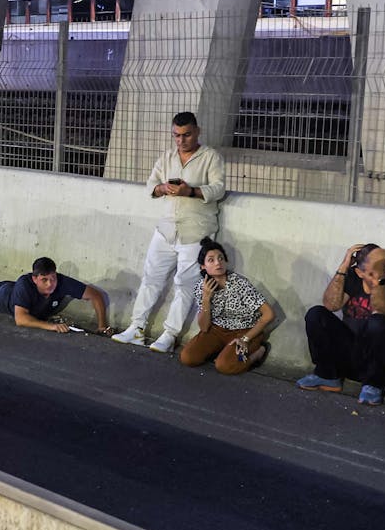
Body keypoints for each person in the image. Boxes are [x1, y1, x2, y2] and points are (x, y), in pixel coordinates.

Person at [111, 111, 228, 353]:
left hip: (196, 231)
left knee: (185, 284)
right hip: (166, 229)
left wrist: (191, 192)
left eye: (186, 135)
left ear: (197, 131)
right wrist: (163, 188)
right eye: (176, 135)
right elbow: (150, 185)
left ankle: (170, 334)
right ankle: (137, 328)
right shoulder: (167, 157)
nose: (181, 140)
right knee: (151, 278)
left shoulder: (210, 157)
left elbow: (218, 189)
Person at [297, 243, 385, 405]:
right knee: (316, 314)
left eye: (384, 266)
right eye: (374, 270)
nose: (383, 271)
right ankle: (327, 375)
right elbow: (331, 305)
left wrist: (378, 282)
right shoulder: (353, 275)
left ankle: (373, 385)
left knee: (377, 322)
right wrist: (344, 266)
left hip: (384, 362)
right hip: (352, 355)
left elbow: (383, 309)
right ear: (359, 272)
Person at [178, 237, 273, 374]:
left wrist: (245, 339)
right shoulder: (201, 287)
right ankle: (222, 350)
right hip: (217, 330)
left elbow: (269, 314)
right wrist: (206, 299)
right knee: (188, 358)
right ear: (203, 266)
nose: (218, 263)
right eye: (211, 260)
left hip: (244, 330)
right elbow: (204, 327)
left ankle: (257, 352)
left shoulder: (239, 283)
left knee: (225, 366)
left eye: (221, 258)